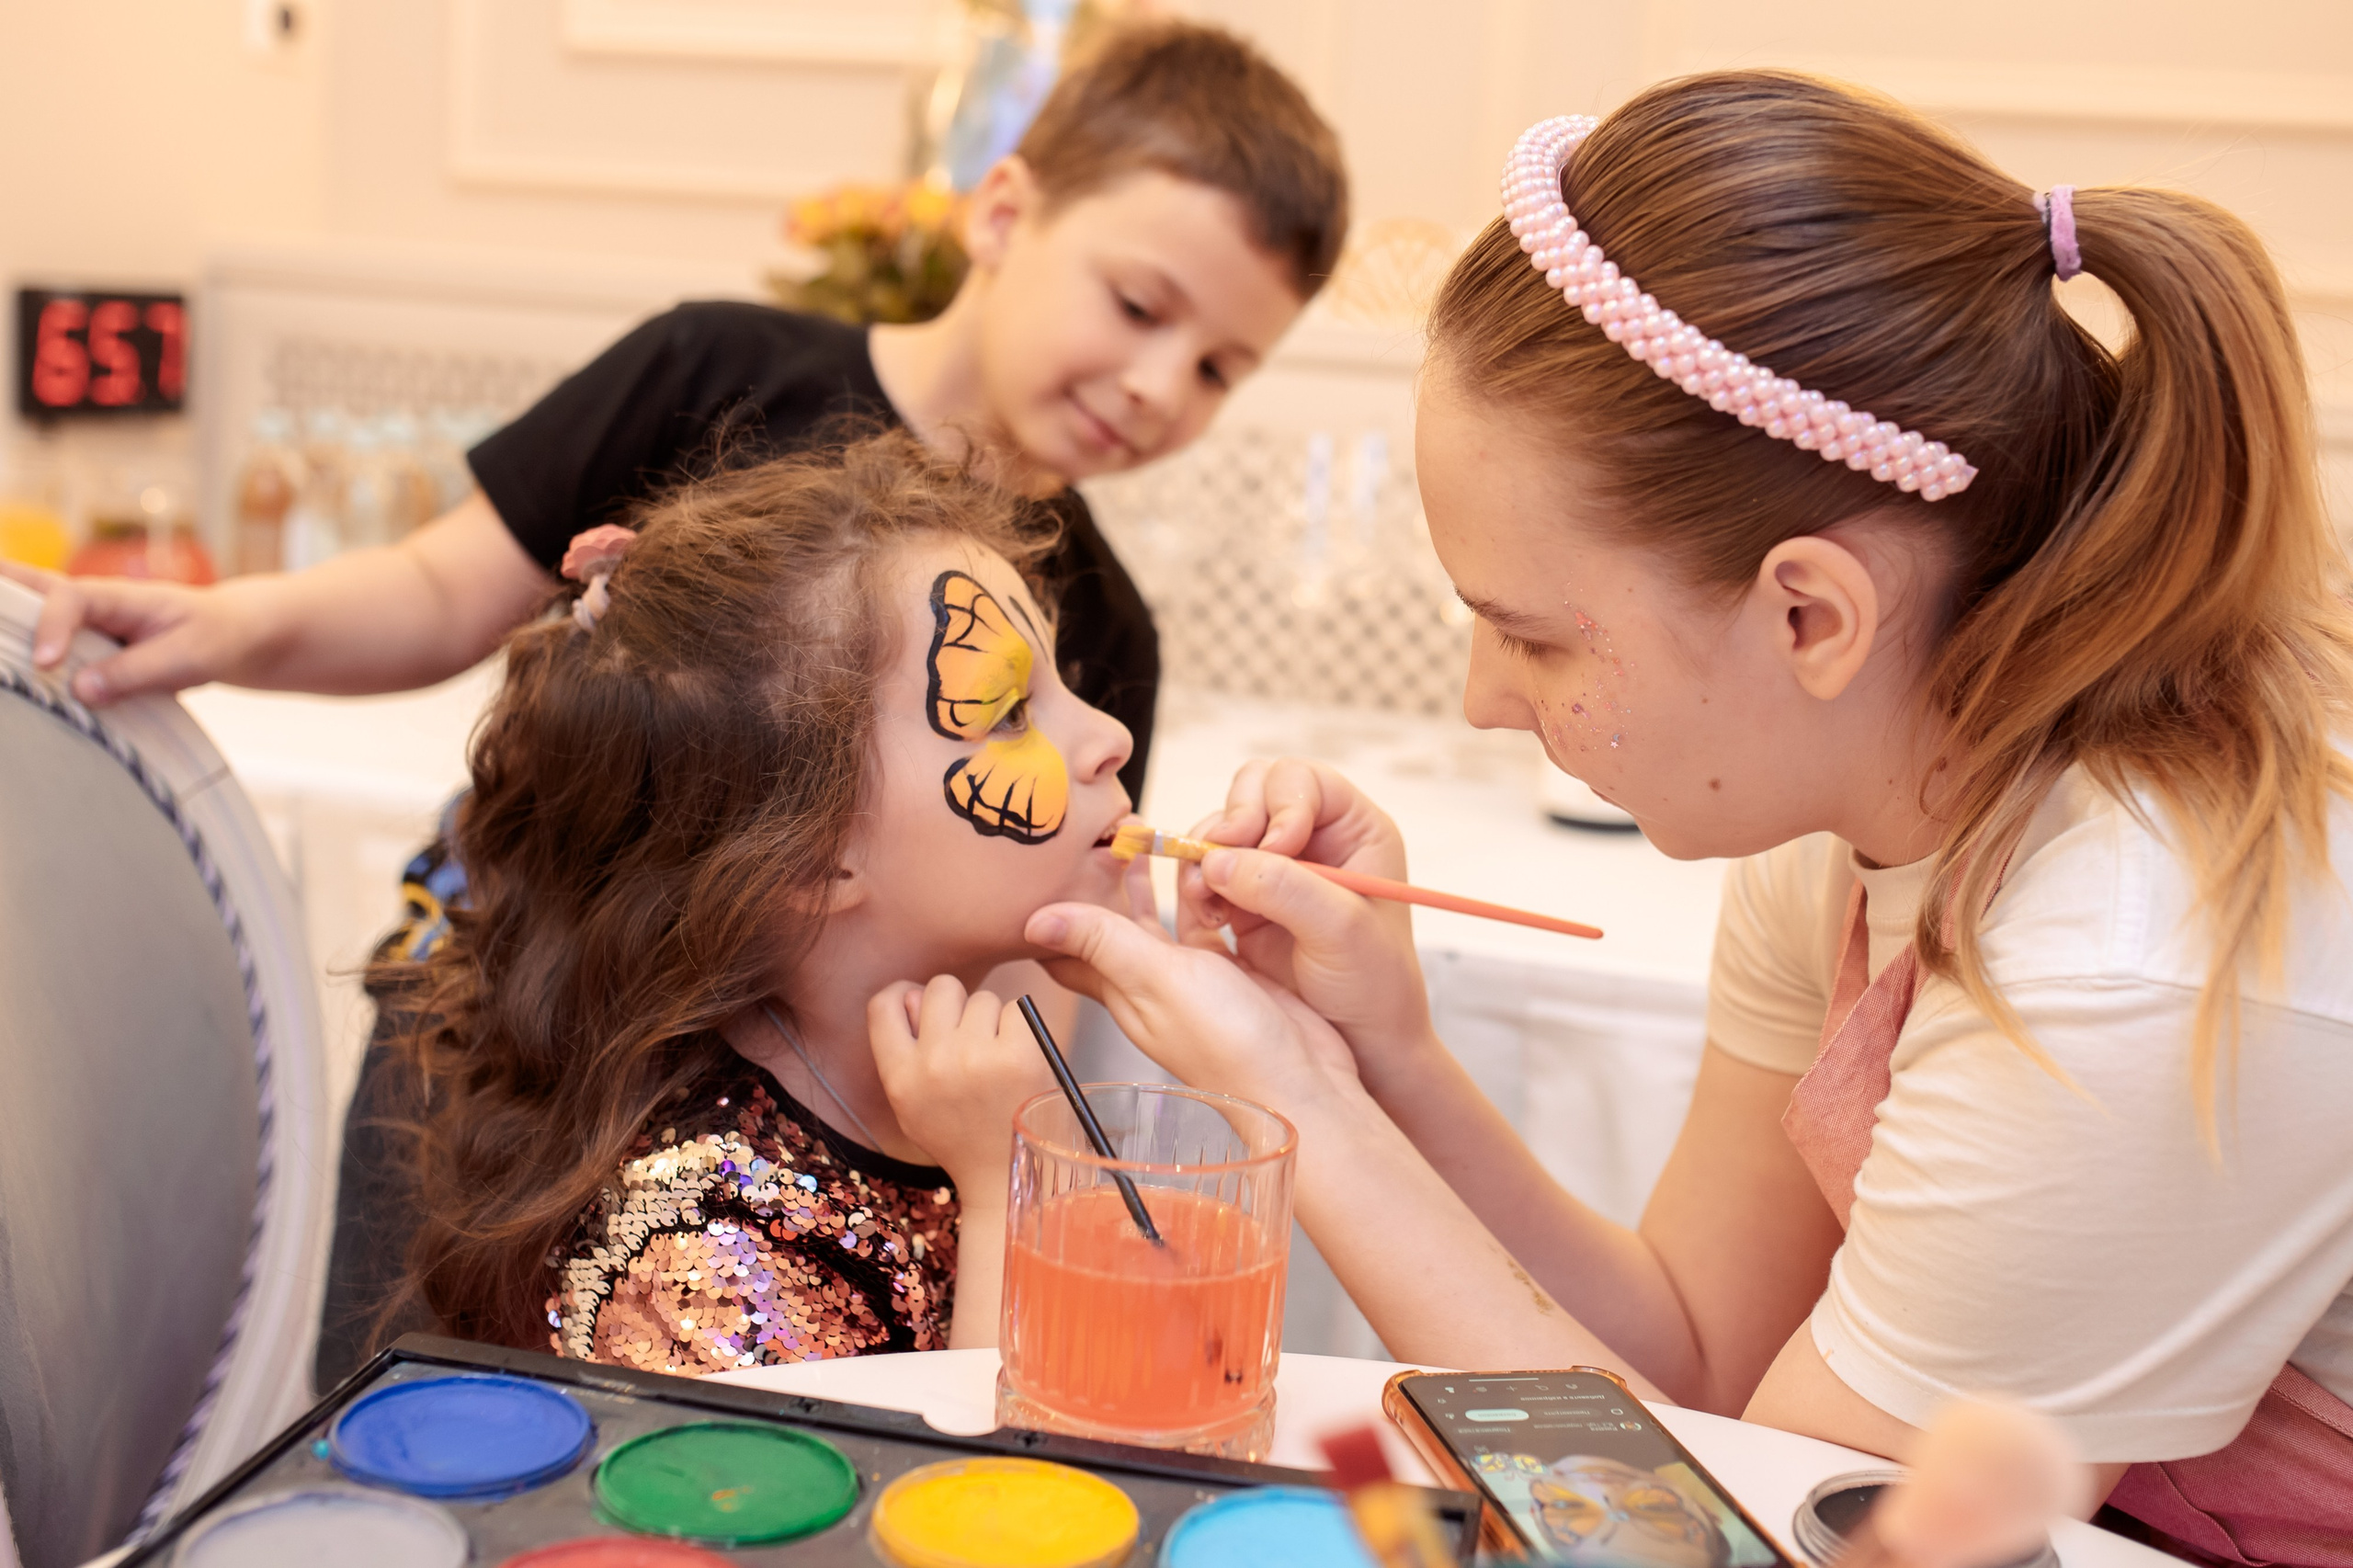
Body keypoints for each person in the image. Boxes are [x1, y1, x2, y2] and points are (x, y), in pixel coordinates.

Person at [1021, 70, 2353, 1562]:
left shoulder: (2127, 973)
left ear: (1808, 616)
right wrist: (1385, 1054)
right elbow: (1704, 1361)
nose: (1481, 701)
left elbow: (1724, 1543)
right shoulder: (1852, 819)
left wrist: (1309, 1111)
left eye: (1533, 637)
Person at [2, 17, 1350, 809]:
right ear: (1002, 215)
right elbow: (433, 592)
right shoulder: (713, 367)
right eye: (1137, 305)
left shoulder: (1108, 634)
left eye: (1222, 369)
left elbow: (1038, 901)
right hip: (502, 1051)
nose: (1161, 387)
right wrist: (224, 624)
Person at [388, 434, 1143, 1371]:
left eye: (1061, 679)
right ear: (814, 861)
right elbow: (977, 1501)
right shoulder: (705, 1256)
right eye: (1009, 713)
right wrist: (1001, 1190)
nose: (1109, 734)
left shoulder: (961, 1090)